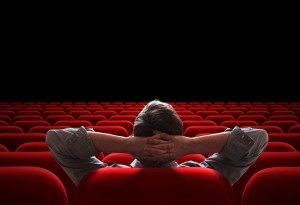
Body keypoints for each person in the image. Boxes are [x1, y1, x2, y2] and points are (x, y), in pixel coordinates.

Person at [46, 100, 268, 186]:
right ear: (179, 136)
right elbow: (258, 138)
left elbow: (55, 139)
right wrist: (189, 145)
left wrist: (127, 145)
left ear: (134, 135)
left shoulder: (100, 179)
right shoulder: (209, 177)